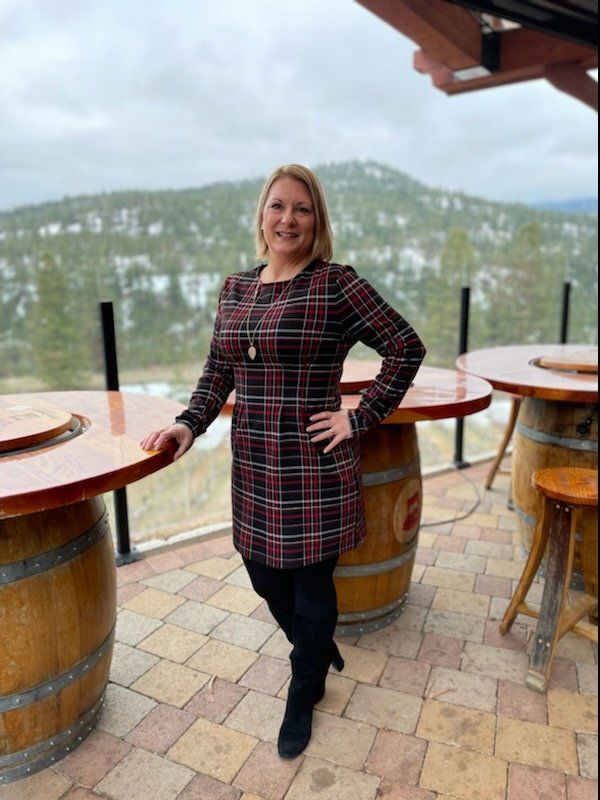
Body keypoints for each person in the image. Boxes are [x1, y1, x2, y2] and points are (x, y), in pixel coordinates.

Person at [141, 164, 426, 759]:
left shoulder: (336, 285)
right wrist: (189, 421)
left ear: (316, 220)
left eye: (301, 208)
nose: (287, 219)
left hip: (313, 463)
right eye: (278, 206)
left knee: (311, 581)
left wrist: (359, 415)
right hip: (254, 462)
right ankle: (316, 647)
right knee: (263, 573)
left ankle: (306, 684)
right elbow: (220, 370)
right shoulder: (236, 288)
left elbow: (405, 347)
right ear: (262, 215)